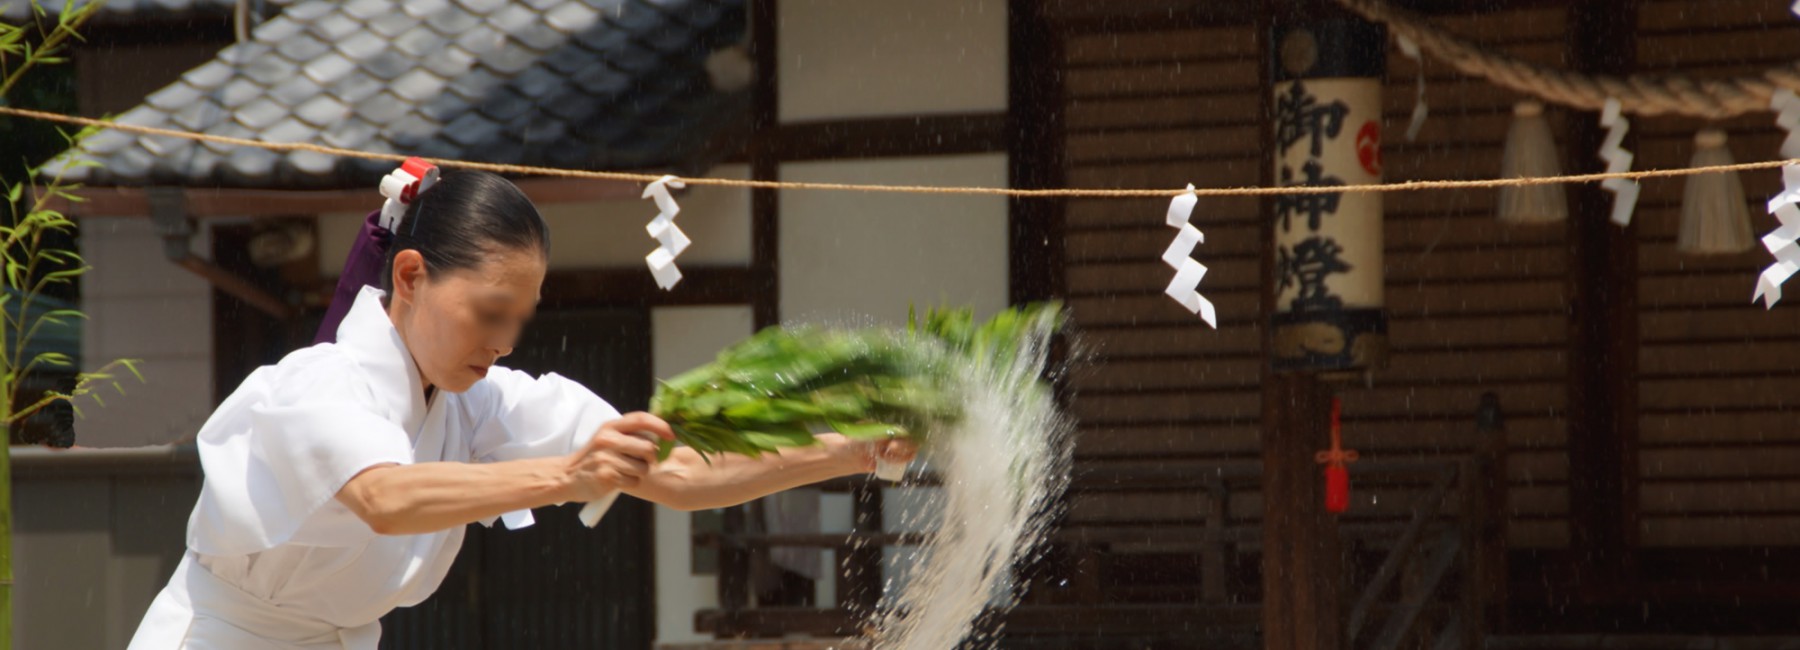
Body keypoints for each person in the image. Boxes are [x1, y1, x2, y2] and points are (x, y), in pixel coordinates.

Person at [127, 168, 914, 649]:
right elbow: (385, 496)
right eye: (489, 313)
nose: (503, 341)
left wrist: (850, 451)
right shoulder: (318, 383)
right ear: (409, 276)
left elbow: (671, 475)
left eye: (520, 320)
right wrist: (566, 473)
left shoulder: (482, 403)